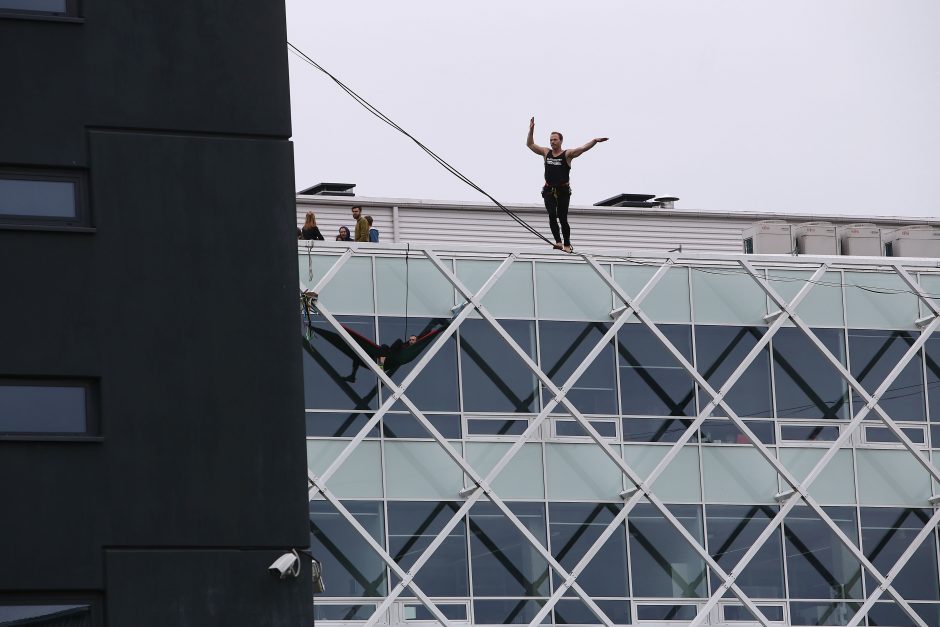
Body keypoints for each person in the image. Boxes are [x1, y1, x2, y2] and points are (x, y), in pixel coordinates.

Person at [526, 117, 608, 253]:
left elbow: (582, 148)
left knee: (562, 218)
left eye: (555, 139)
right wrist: (531, 130)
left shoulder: (567, 154)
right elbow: (530, 144)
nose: (552, 142)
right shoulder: (546, 153)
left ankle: (567, 244)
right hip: (549, 190)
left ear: (561, 141)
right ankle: (558, 241)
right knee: (552, 214)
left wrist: (594, 141)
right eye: (551, 140)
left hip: (563, 191)